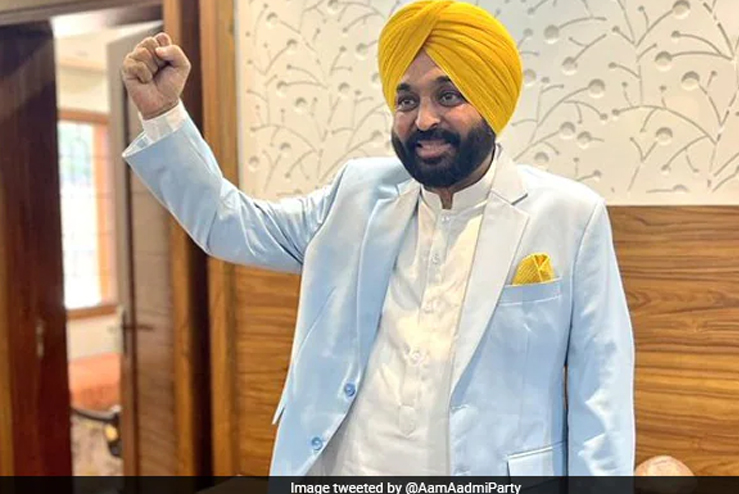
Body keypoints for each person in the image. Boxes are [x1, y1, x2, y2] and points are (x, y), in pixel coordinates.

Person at [121, 0, 635, 476]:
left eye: (448, 96)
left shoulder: (568, 216)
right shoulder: (357, 196)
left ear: (491, 101)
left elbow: (602, 393)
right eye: (406, 100)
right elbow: (229, 225)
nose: (424, 120)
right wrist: (163, 115)